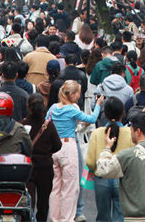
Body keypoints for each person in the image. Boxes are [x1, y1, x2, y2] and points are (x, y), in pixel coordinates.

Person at [48, 81, 105, 222]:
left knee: (56, 187)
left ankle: (55, 218)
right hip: (68, 147)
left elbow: (47, 122)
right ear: (72, 94)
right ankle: (67, 219)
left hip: (53, 148)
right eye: (78, 93)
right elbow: (91, 119)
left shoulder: (53, 108)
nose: (80, 96)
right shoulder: (72, 109)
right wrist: (98, 105)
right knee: (70, 188)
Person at [86, 97, 134, 222]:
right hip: (122, 179)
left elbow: (90, 162)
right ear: (123, 113)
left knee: (102, 217)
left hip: (102, 179)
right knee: (121, 216)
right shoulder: (130, 133)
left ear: (105, 115)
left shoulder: (97, 133)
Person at [22, 94, 62, 222]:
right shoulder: (48, 126)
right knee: (43, 202)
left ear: (29, 107)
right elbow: (57, 145)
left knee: (29, 199)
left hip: (27, 166)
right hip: (45, 167)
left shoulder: (21, 125)